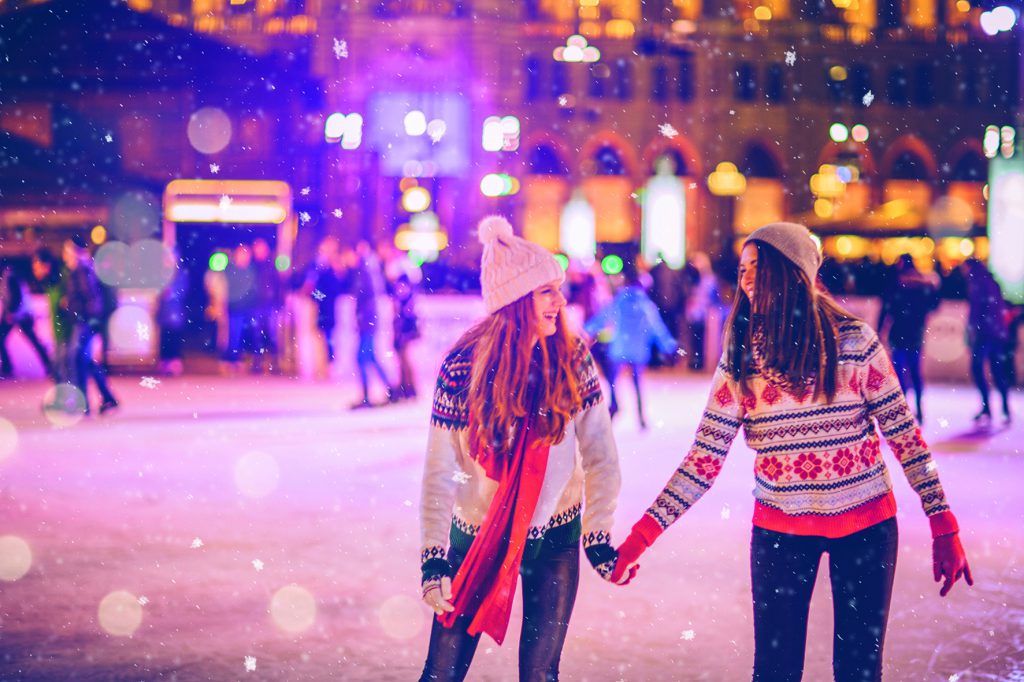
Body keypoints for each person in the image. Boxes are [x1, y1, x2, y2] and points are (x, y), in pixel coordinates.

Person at [612, 223, 972, 682]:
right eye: (742, 269)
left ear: (793, 271)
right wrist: (641, 536)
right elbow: (703, 460)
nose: (745, 279)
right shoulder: (742, 359)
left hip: (865, 527)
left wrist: (943, 522)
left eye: (758, 268)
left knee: (859, 671)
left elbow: (904, 437)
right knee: (775, 672)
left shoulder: (855, 343)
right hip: (781, 532)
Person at [419, 215, 631, 682]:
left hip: (554, 537)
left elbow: (600, 455)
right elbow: (440, 469)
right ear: (516, 301)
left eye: (558, 288)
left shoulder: (572, 359)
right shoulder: (462, 368)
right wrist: (434, 556)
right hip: (478, 535)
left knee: (540, 676)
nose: (560, 301)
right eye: (546, 292)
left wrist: (597, 533)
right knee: (441, 672)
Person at [584, 262, 678, 429]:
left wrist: (586, 329)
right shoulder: (645, 305)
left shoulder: (620, 301)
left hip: (620, 347)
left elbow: (603, 317)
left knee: (613, 380)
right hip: (638, 349)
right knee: (636, 382)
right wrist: (668, 345)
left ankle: (614, 405)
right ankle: (640, 414)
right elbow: (657, 327)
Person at [877, 254, 940, 422]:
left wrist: (880, 330)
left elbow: (886, 310)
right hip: (914, 334)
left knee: (900, 373)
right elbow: (933, 306)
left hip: (899, 334)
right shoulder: (922, 286)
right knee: (914, 371)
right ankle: (918, 407)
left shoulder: (897, 284)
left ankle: (904, 408)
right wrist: (933, 286)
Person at [62, 237, 119, 415]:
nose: (65, 256)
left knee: (76, 360)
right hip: (85, 321)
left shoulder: (81, 270)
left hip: (83, 322)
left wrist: (79, 314)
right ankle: (106, 398)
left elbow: (91, 299)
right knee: (84, 361)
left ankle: (84, 403)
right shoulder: (84, 269)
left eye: (67, 251)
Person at [962, 258, 1013, 424]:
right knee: (997, 371)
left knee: (978, 369)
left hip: (985, 335)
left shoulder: (977, 284)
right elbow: (998, 308)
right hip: (996, 334)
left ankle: (987, 407)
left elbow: (976, 312)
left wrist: (971, 332)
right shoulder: (992, 282)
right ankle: (1004, 408)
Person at [350, 240, 396, 409]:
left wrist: (362, 320)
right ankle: (391, 388)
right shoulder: (371, 266)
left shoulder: (366, 267)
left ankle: (369, 394)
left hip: (368, 320)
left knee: (362, 357)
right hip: (369, 320)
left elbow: (365, 296)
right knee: (368, 357)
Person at [0, 261, 54, 379]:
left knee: (2, 338)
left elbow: (15, 296)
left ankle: (7, 367)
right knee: (33, 340)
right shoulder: (12, 276)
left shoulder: (9, 277)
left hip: (17, 314)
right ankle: (49, 365)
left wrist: (10, 312)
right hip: (22, 314)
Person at [31, 249, 70, 383]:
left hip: (68, 333)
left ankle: (62, 398)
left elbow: (71, 304)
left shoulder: (64, 278)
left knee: (61, 369)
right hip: (59, 333)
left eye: (37, 268)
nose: (35, 273)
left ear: (46, 265)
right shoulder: (50, 283)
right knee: (61, 368)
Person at [250, 238, 282, 374]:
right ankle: (257, 361)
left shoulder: (271, 265)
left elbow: (279, 285)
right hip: (256, 304)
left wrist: (279, 302)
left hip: (270, 304)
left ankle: (274, 363)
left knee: (273, 333)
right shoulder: (252, 266)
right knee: (256, 334)